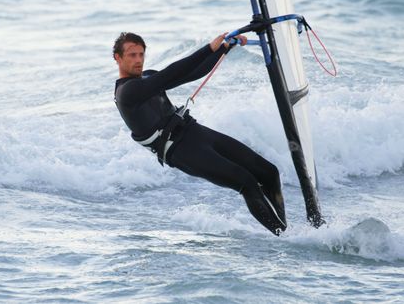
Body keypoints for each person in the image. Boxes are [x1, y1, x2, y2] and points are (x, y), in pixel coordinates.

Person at [113, 32, 287, 235]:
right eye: (132, 55)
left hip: (195, 132)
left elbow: (191, 73)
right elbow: (171, 72)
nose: (138, 60)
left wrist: (224, 49)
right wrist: (209, 48)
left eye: (141, 54)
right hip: (179, 150)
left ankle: (290, 227)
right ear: (118, 57)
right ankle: (283, 237)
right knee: (246, 183)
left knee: (269, 172)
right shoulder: (127, 93)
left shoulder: (148, 77)